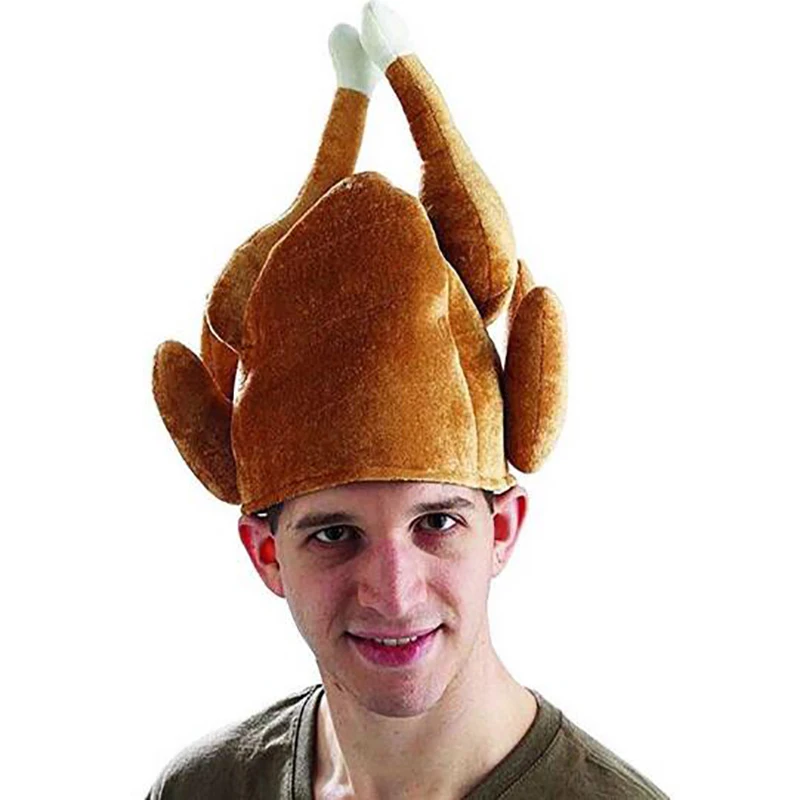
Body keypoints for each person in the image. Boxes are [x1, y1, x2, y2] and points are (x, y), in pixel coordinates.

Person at [148, 3, 669, 797]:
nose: (394, 592)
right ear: (266, 555)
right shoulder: (203, 789)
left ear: (502, 530)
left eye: (437, 522)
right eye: (334, 534)